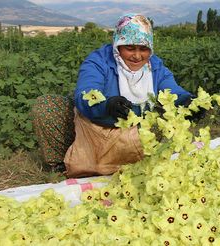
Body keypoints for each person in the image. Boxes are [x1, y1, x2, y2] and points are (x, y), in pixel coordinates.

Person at [32, 13, 200, 177]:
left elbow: (171, 91)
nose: (137, 55)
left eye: (143, 49)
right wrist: (106, 105)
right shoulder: (99, 61)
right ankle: (63, 164)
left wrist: (188, 101)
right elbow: (86, 93)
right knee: (48, 105)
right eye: (130, 48)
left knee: (161, 117)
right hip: (97, 124)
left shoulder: (154, 67)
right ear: (118, 45)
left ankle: (135, 162)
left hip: (136, 134)